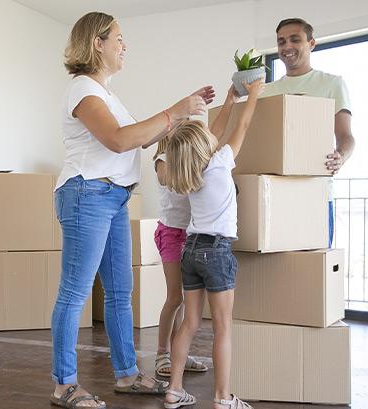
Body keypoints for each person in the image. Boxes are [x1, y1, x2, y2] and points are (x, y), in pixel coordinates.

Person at [50, 11, 215, 409]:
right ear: (97, 43)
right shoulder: (82, 89)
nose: (125, 46)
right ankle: (64, 385)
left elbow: (138, 137)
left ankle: (126, 375)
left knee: (120, 292)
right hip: (86, 193)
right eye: (119, 39)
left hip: (113, 197)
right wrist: (173, 111)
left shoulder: (107, 95)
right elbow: (120, 141)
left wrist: (179, 120)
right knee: (74, 294)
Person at [161, 79, 265, 409]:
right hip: (216, 251)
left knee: (190, 323)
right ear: (205, 146)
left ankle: (174, 389)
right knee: (222, 328)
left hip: (190, 249)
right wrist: (254, 96)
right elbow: (243, 126)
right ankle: (222, 397)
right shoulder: (219, 164)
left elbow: (213, 138)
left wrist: (231, 98)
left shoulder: (189, 174)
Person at [259, 17, 356, 247]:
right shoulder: (266, 92)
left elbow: (346, 137)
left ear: (311, 43)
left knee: (315, 270)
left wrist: (340, 156)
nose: (287, 47)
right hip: (275, 196)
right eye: (281, 42)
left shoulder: (332, 84)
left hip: (316, 195)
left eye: (295, 40)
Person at [152, 139, 209, 378]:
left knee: (186, 299)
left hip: (191, 233)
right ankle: (162, 353)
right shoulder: (162, 159)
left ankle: (179, 353)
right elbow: (167, 179)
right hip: (171, 234)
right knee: (174, 297)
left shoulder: (187, 157)